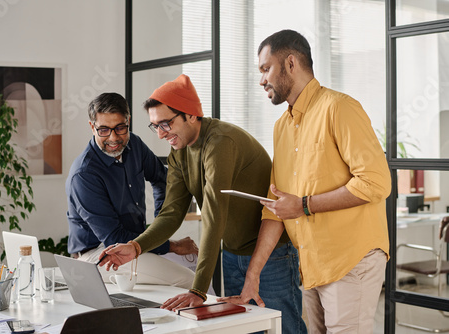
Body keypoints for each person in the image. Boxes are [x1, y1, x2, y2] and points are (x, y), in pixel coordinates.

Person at [98, 74, 307, 333]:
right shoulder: (179, 152)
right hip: (232, 253)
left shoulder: (220, 143)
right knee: (245, 328)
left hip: (272, 254)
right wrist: (135, 247)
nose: (161, 134)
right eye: (155, 126)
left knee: (285, 328)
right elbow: (171, 214)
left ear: (192, 115)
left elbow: (213, 214)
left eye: (166, 123)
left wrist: (198, 290)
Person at [220, 29, 392, 333]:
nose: (261, 80)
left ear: (290, 63)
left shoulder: (339, 108)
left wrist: (304, 205)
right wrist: (253, 275)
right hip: (312, 263)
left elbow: (376, 182)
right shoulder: (281, 127)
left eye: (265, 69)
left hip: (351, 258)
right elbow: (277, 208)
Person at [66, 92, 198, 288]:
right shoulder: (84, 175)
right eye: (103, 130)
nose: (113, 138)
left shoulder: (134, 145)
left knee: (193, 261)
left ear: (128, 121)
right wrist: (173, 245)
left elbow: (162, 179)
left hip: (134, 244)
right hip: (100, 253)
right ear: (92, 126)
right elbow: (114, 239)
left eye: (120, 128)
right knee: (190, 280)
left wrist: (160, 227)